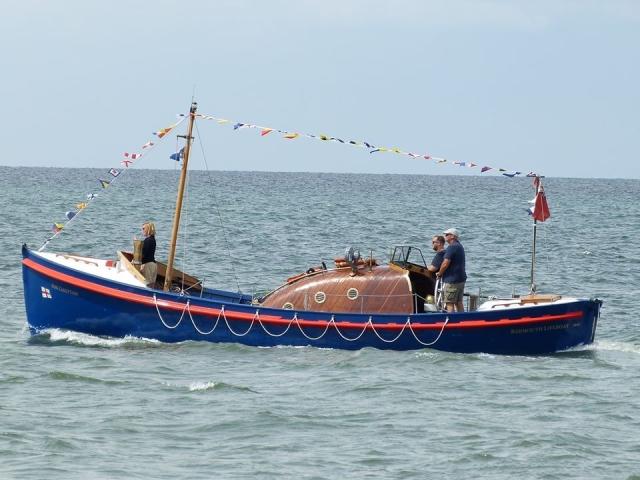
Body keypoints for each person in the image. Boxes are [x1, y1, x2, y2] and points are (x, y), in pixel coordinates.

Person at [436, 228, 466, 312]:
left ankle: (452, 321)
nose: (445, 237)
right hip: (460, 279)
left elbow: (445, 263)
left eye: (447, 235)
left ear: (452, 236)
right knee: (458, 302)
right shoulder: (459, 246)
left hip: (452, 281)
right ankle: (462, 320)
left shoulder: (452, 247)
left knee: (449, 302)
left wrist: (439, 273)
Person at [140, 222, 157, 288]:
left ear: (148, 229)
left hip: (148, 265)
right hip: (153, 265)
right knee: (151, 286)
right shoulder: (153, 239)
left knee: (147, 286)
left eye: (143, 228)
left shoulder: (147, 240)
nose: (142, 230)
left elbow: (144, 255)